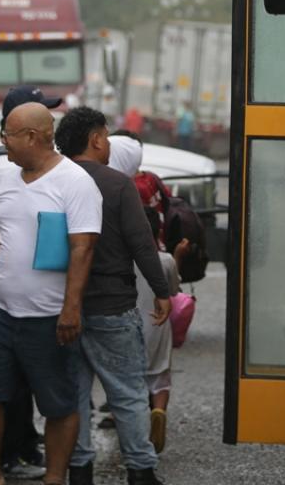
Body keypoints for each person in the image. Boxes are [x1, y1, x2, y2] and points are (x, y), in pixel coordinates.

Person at [0, 102, 101, 485]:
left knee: (58, 401)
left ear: (31, 136)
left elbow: (82, 248)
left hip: (49, 316)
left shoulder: (75, 182)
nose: (2, 143)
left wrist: (70, 309)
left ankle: (54, 477)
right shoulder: (5, 176)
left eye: (6, 135)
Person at [56, 109, 171, 485]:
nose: (106, 143)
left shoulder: (51, 180)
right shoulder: (118, 184)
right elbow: (142, 244)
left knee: (74, 396)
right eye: (104, 136)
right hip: (112, 304)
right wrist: (161, 290)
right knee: (127, 392)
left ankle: (80, 470)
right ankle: (140, 471)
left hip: (62, 306)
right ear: (95, 140)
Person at [0, 85, 64, 481]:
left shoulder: (65, 175)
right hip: (6, 301)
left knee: (41, 393)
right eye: (42, 115)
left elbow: (80, 244)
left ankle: (27, 454)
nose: (49, 125)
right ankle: (5, 459)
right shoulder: (4, 171)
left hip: (42, 304)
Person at [108, 134, 180, 454]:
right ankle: (159, 410)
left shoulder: (110, 190)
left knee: (129, 377)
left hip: (126, 316)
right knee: (160, 374)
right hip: (158, 319)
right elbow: (173, 289)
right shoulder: (163, 259)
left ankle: (132, 427)